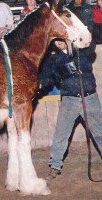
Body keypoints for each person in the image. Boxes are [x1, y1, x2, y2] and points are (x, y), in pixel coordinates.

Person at [39, 38, 102, 180]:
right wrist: (39, 85)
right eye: (56, 41)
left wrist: (83, 39)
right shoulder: (53, 58)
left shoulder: (81, 50)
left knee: (99, 132)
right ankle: (55, 166)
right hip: (69, 100)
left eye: (61, 40)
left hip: (90, 98)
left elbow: (90, 46)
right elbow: (46, 77)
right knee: (61, 134)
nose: (59, 43)